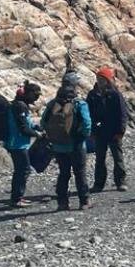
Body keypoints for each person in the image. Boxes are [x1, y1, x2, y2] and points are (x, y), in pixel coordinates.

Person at [41, 71, 92, 211]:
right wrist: (82, 137)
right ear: (75, 85)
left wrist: (53, 136)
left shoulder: (53, 103)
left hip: (58, 146)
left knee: (64, 173)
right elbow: (87, 123)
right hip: (76, 145)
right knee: (80, 173)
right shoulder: (79, 103)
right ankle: (84, 201)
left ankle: (62, 202)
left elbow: (43, 122)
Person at [87, 66, 128, 193]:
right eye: (98, 78)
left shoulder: (115, 94)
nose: (100, 81)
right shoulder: (92, 94)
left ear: (108, 80)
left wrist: (120, 131)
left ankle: (120, 182)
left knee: (118, 157)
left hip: (113, 131)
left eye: (102, 79)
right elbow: (89, 114)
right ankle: (99, 184)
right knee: (100, 158)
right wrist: (91, 131)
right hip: (99, 132)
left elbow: (122, 114)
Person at [3, 81, 42, 208]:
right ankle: (16, 198)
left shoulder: (20, 105)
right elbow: (22, 128)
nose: (37, 97)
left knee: (21, 170)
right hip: (17, 144)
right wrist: (36, 134)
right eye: (35, 94)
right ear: (29, 93)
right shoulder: (20, 106)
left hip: (18, 144)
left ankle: (17, 197)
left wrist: (36, 127)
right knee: (23, 170)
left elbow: (26, 122)